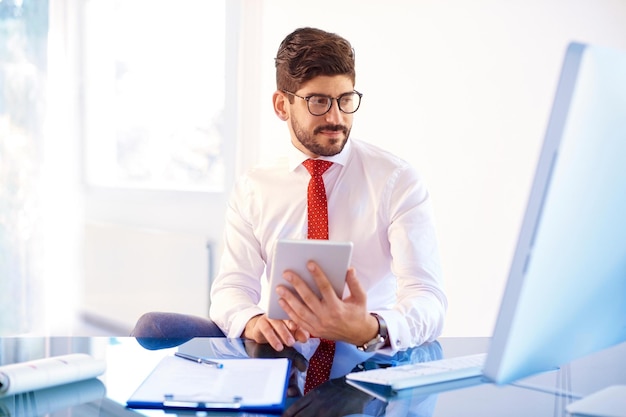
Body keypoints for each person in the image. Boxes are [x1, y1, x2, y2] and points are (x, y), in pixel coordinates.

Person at [132, 26, 446, 364]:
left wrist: (372, 328)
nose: (336, 117)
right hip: (280, 366)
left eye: (345, 100)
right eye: (319, 101)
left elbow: (427, 298)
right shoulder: (254, 189)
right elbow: (232, 289)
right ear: (282, 105)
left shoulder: (397, 182)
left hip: (369, 368)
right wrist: (250, 321)